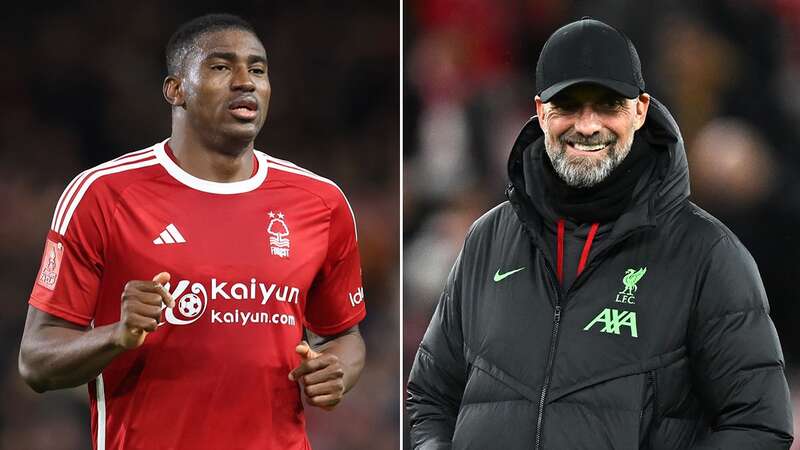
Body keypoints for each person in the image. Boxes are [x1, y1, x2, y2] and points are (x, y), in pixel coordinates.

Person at [406, 18, 793, 449]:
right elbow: (429, 396)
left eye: (607, 105)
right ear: (540, 111)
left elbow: (759, 425)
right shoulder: (487, 241)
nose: (587, 125)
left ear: (640, 110)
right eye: (567, 105)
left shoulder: (708, 255)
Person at [18, 13, 367, 450]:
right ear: (175, 89)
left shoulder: (320, 202)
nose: (245, 81)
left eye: (257, 69)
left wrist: (336, 372)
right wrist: (116, 336)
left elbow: (344, 336)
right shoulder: (102, 196)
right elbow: (35, 361)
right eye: (221, 67)